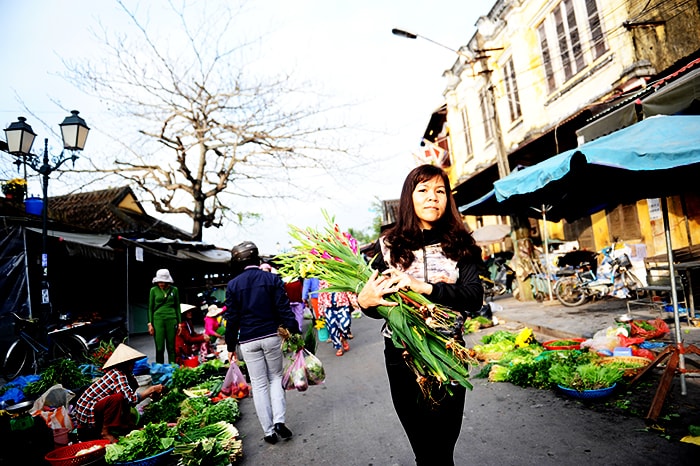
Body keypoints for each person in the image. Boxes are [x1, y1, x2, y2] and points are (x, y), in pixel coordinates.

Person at [356, 164, 484, 466]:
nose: (432, 198)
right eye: (423, 190)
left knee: (443, 448)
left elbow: (473, 297)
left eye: (440, 191)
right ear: (409, 198)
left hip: (447, 354)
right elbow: (377, 305)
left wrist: (423, 287)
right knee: (424, 450)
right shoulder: (387, 247)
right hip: (401, 357)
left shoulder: (462, 245)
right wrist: (365, 302)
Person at [224, 241, 301, 445]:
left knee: (258, 384)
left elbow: (231, 320)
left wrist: (230, 346)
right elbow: (284, 309)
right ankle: (279, 420)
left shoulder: (233, 285)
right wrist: (294, 331)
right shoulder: (272, 278)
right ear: (256, 258)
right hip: (271, 336)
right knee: (276, 378)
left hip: (248, 340)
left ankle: (268, 432)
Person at [74, 343, 164, 441]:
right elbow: (130, 399)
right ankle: (105, 432)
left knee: (125, 394)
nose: (133, 365)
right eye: (131, 362)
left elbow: (128, 401)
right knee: (118, 398)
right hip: (87, 411)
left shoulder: (127, 376)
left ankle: (126, 427)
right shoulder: (117, 374)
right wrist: (152, 389)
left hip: (97, 408)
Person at [147, 268, 182, 364]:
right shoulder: (153, 290)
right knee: (159, 348)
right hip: (158, 320)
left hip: (172, 319)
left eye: (163, 281)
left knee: (171, 347)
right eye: (159, 281)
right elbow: (150, 308)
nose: (161, 283)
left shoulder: (174, 290)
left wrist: (179, 323)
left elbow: (177, 307)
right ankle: (160, 369)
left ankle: (172, 369)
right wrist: (150, 323)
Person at [317, 280, 357, 356]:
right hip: (329, 307)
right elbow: (320, 295)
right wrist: (320, 311)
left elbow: (348, 290)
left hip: (342, 304)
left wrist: (354, 302)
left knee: (345, 323)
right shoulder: (322, 281)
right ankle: (338, 347)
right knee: (332, 328)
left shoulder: (338, 277)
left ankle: (344, 337)